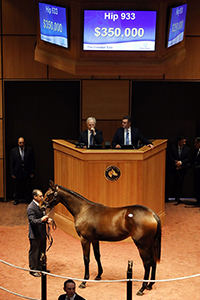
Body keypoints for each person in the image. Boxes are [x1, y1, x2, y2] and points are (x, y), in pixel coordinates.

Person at [27, 189, 49, 277]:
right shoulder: (31, 207)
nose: (42, 197)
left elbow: (42, 217)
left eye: (42, 195)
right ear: (35, 197)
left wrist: (47, 220)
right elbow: (32, 221)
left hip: (42, 233)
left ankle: (40, 267)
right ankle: (33, 269)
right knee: (34, 252)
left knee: (42, 251)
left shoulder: (41, 205)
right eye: (40, 196)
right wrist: (41, 220)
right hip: (35, 234)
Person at [166, 135, 190, 205]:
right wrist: (176, 163)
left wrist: (181, 163)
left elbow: (188, 158)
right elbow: (170, 156)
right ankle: (167, 197)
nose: (184, 143)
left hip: (182, 169)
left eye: (185, 141)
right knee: (170, 183)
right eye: (183, 142)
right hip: (172, 169)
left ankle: (178, 198)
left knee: (179, 184)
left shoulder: (187, 149)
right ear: (179, 141)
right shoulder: (172, 148)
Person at [10, 136, 34, 205]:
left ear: (24, 143)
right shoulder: (13, 151)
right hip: (17, 172)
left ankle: (28, 199)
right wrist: (12, 173)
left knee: (27, 186)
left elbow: (32, 161)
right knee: (17, 187)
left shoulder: (29, 150)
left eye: (22, 143)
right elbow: (12, 163)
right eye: (20, 143)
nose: (21, 144)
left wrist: (32, 172)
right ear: (18, 143)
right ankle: (16, 199)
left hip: (27, 172)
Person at [190, 137, 200, 205]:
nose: (195, 144)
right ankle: (198, 200)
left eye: (196, 143)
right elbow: (192, 161)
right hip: (197, 173)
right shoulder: (195, 151)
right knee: (197, 186)